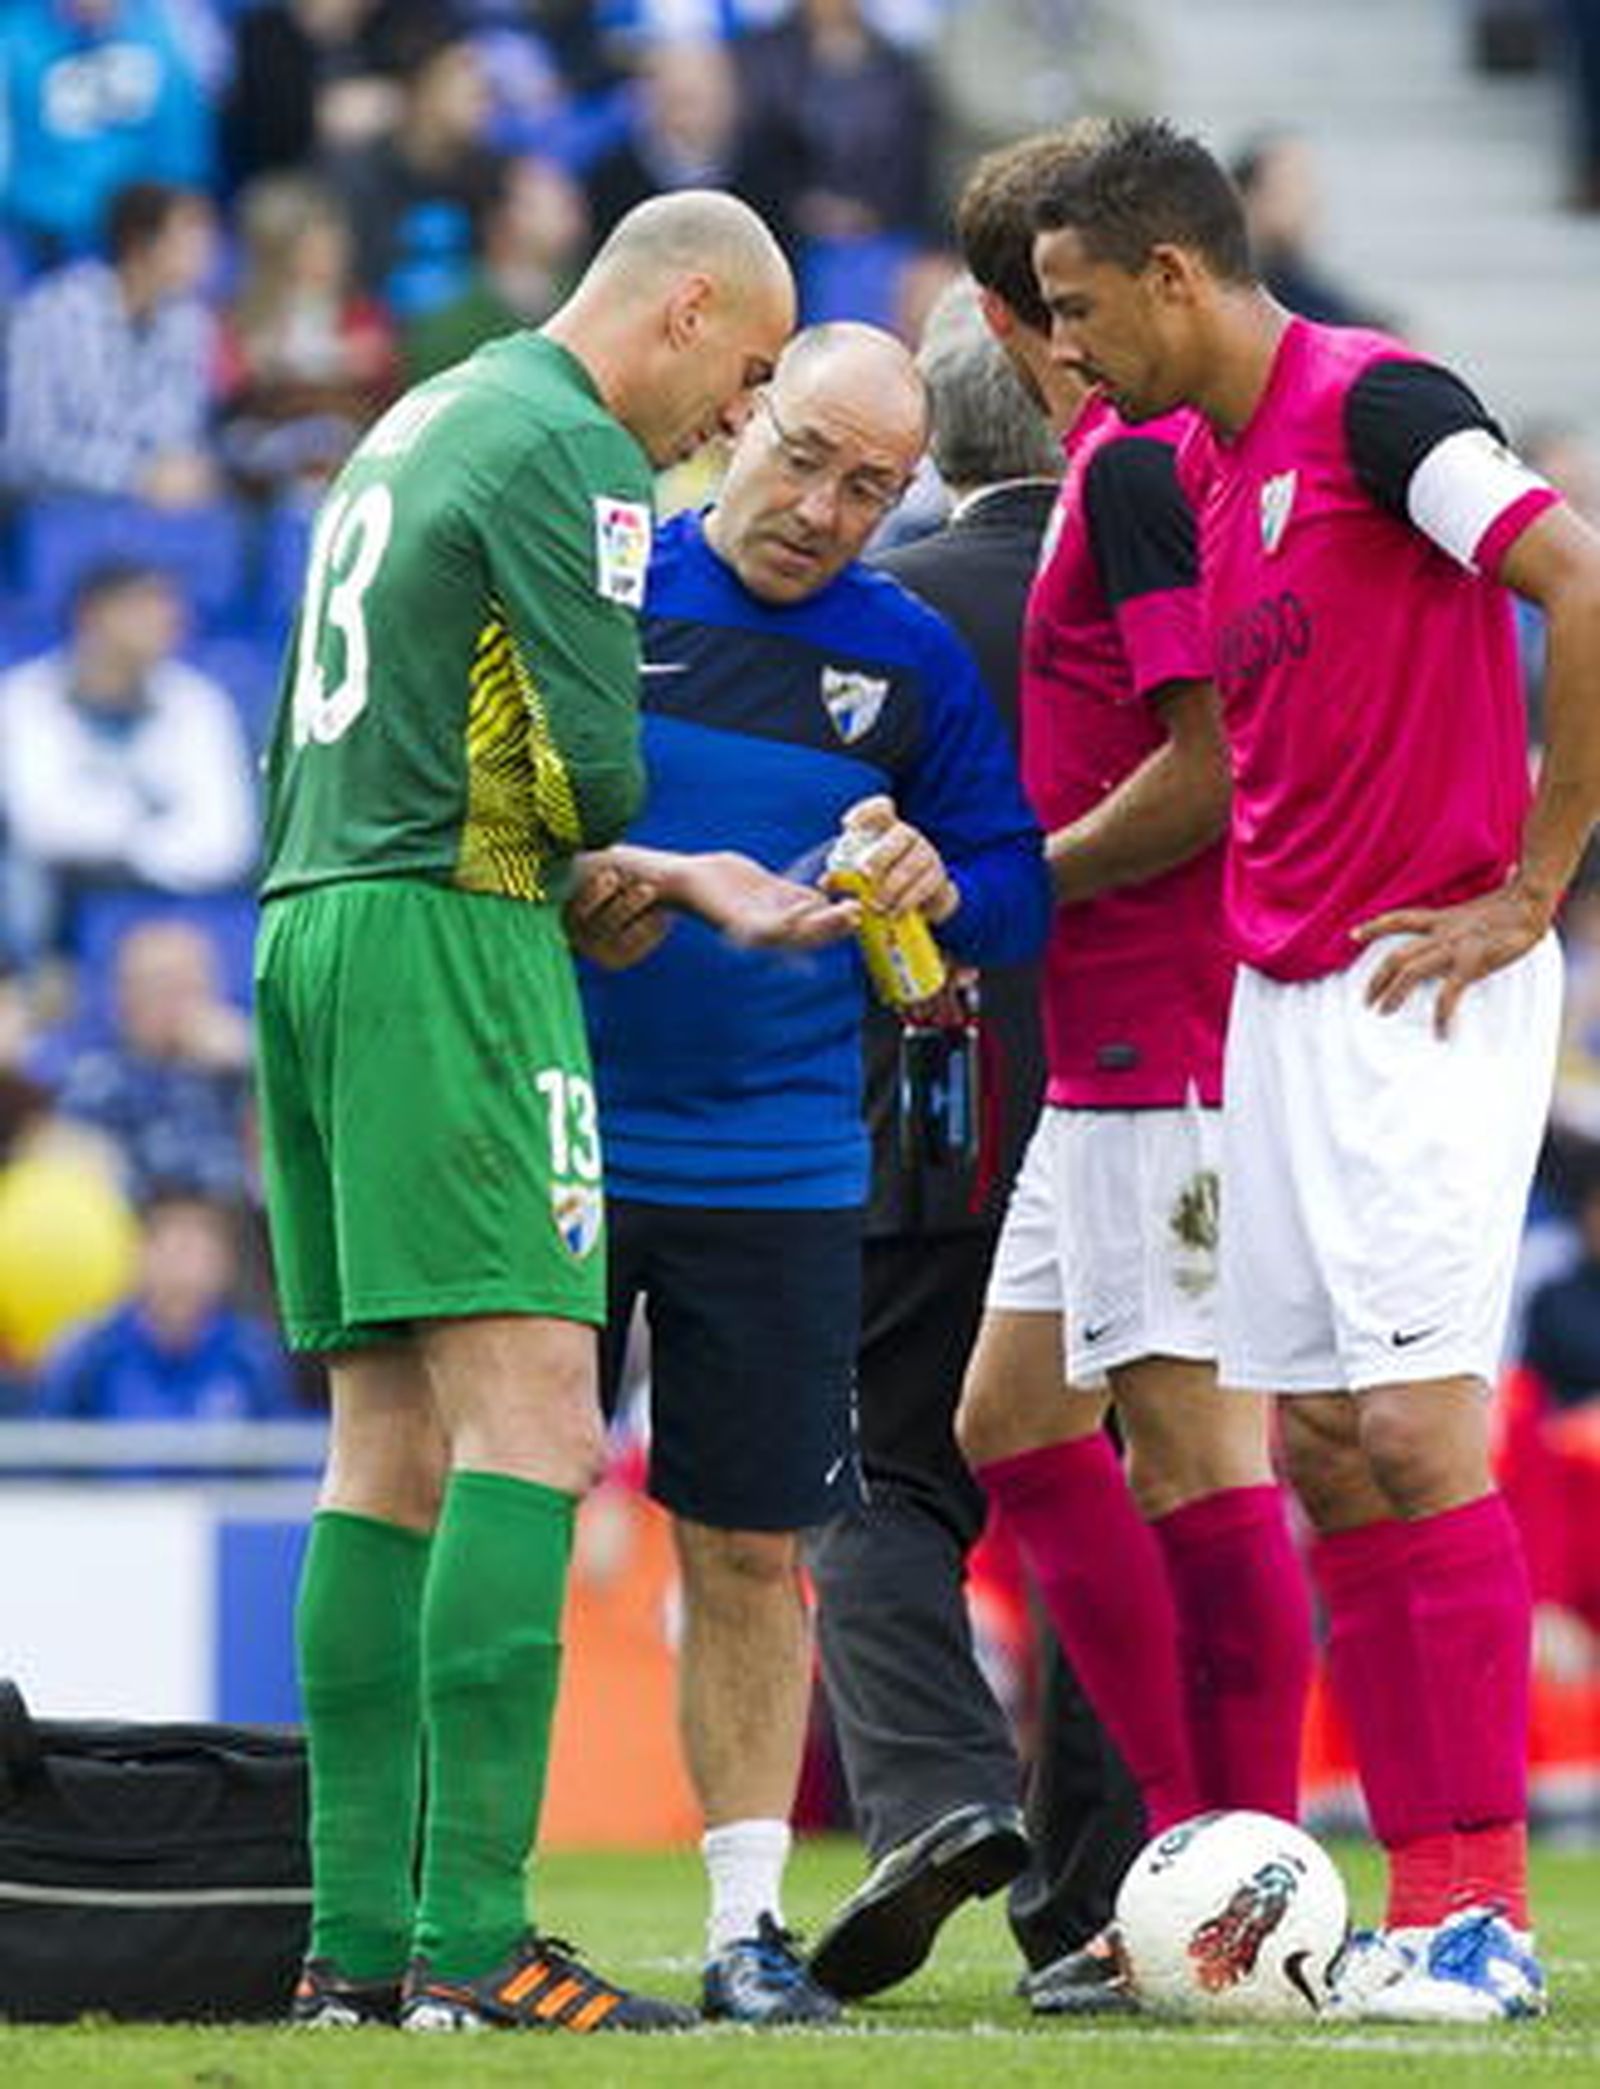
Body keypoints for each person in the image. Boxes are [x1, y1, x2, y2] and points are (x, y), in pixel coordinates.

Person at [1030, 116, 1600, 2022]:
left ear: (1173, 274)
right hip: (1279, 1003)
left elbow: (1583, 583)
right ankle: (1424, 1891)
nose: (1069, 345)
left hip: (1422, 979)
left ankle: (1482, 1918)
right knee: (1330, 1447)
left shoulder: (1378, 409)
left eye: (1080, 304)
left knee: (1426, 1429)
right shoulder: (1184, 466)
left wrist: (1538, 879)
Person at [253, 188, 808, 2036]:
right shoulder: (575, 450)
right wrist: (630, 858)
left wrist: (621, 854)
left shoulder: (427, 412)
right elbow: (598, 769)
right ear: (688, 307)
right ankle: (478, 1937)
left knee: (386, 1442)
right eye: (740, 380)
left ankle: (352, 1946)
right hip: (448, 941)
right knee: (540, 1418)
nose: (734, 424)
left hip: (314, 920)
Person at [580, 320, 1049, 2023]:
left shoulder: (910, 652)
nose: (824, 510)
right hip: (568, 1120)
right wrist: (604, 873)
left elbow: (1011, 882)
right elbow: (493, 818)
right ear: (741, 412)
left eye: (871, 487)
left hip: (787, 1156)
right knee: (505, 1495)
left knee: (747, 1543)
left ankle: (741, 1926)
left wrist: (939, 882)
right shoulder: (605, 592)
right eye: (804, 460)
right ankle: (444, 1907)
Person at [937, 129, 1309, 2016]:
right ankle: (1191, 1851)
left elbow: (1212, 766)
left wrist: (1009, 875)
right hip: (1102, 1037)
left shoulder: (1151, 478)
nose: (1059, 334)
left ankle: (1242, 1879)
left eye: (1064, 305)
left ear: (1018, 319)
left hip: (1165, 1031)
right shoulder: (1112, 464)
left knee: (1191, 1448)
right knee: (1015, 1421)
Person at [803, 274, 1147, 2010]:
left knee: (881, 1473)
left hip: (920, 1112)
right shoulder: (1167, 613)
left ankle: (936, 1794)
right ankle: (1096, 1902)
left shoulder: (868, 616)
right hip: (1142, 1108)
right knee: (1124, 1488)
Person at [0, 562, 257, 965]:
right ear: (91, 616)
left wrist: (129, 853)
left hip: (177, 909)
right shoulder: (20, 699)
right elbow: (42, 827)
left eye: (170, 605)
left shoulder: (200, 702)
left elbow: (227, 840)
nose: (169, 618)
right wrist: (153, 829)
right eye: (144, 605)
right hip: (52, 914)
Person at [1, 181, 220, 506]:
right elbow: (24, 448)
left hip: (155, 511)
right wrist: (132, 475)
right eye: (189, 238)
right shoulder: (51, 313)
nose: (206, 253)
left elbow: (182, 433)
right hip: (56, 511)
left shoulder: (190, 323)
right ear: (140, 243)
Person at [34, 1186, 294, 1423]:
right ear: (138, 1254)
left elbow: (282, 1458)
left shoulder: (252, 1356)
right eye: (167, 1246)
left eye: (195, 1249)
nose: (180, 1270)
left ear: (224, 1263)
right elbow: (47, 1457)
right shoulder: (89, 1355)